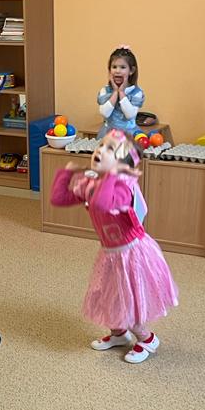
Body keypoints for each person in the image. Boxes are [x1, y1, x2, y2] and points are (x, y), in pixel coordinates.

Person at [50, 129, 177, 363]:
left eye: (110, 149)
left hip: (132, 254)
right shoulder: (94, 182)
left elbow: (102, 204)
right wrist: (65, 175)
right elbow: (59, 199)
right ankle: (119, 333)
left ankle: (147, 338)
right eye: (101, 145)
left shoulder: (123, 187)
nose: (100, 150)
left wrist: (109, 176)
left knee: (129, 301)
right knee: (108, 296)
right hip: (110, 254)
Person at [96, 46, 145, 139]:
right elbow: (105, 113)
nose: (117, 71)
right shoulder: (105, 90)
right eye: (114, 67)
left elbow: (130, 115)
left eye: (123, 67)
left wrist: (121, 92)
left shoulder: (136, 92)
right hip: (108, 135)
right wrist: (115, 92)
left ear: (131, 70)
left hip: (128, 135)